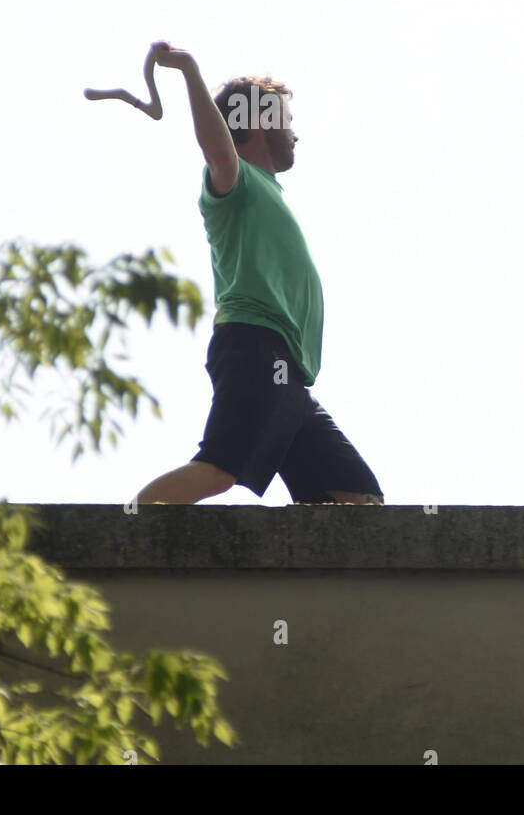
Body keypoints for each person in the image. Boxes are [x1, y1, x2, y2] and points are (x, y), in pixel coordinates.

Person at [136, 42, 384, 506]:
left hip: (286, 370)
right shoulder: (236, 182)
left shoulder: (269, 190)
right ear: (257, 123)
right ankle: (119, 539)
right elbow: (219, 151)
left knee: (358, 499)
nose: (295, 134)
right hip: (257, 348)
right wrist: (189, 70)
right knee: (219, 468)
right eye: (285, 121)